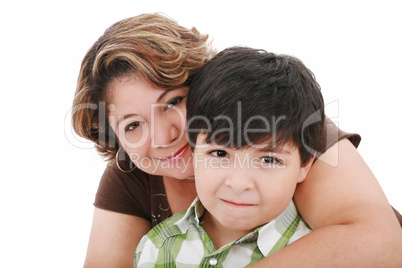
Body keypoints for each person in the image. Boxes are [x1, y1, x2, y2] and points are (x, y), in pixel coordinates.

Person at [72, 13, 402, 268]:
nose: (163, 136)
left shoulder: (284, 124)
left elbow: (382, 244)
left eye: (173, 102)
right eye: (132, 125)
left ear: (204, 84)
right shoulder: (132, 178)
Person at [135, 47, 325, 267]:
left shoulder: (326, 253)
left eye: (269, 159)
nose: (239, 184)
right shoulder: (155, 248)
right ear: (194, 151)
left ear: (305, 164)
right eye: (219, 153)